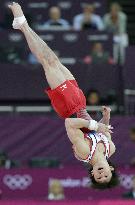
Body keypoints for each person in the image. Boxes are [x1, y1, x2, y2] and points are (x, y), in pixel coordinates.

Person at [8, 2, 115, 185]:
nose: (101, 174)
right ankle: (22, 25)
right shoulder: (110, 149)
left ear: (92, 175)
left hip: (68, 108)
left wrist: (97, 126)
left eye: (98, 178)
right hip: (80, 103)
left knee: (47, 61)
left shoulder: (83, 153)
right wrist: (105, 119)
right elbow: (102, 130)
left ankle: (23, 25)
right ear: (111, 169)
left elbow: (70, 124)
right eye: (106, 176)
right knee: (53, 60)